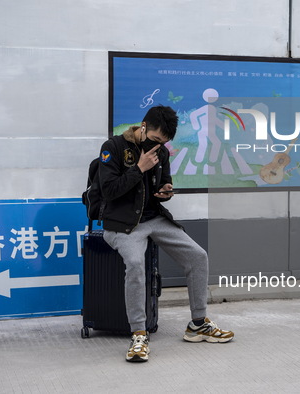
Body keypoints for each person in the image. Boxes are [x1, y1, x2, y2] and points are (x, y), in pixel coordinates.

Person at [98, 105, 234, 362]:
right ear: (143, 126)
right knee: (136, 263)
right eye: (156, 139)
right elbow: (109, 192)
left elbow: (163, 183)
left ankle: (197, 324)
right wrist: (139, 168)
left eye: (164, 142)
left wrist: (166, 190)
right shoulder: (113, 147)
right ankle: (139, 333)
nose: (159, 146)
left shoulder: (161, 152)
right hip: (122, 225)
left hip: (154, 218)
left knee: (197, 256)